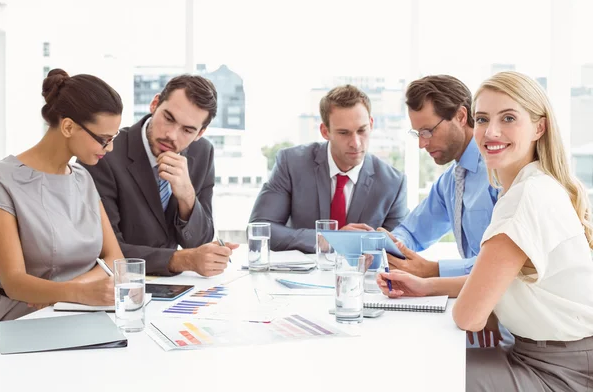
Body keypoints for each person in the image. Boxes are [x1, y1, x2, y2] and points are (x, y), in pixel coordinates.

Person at [377, 71, 593, 391]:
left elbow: (468, 316)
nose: (491, 131)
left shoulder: (525, 197)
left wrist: (457, 291)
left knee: (414, 372)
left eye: (508, 118)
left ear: (539, 126)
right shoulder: (528, 185)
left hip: (558, 370)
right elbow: (500, 279)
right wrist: (425, 286)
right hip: (540, 353)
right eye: (482, 119)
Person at [0, 69, 124, 326]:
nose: (109, 148)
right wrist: (78, 293)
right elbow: (15, 282)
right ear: (68, 126)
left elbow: (115, 258)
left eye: (113, 138)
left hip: (81, 313)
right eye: (104, 139)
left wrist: (66, 293)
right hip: (21, 321)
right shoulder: (1, 179)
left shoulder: (83, 178)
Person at [81, 75, 237, 276]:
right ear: (154, 104)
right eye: (169, 119)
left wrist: (187, 197)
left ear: (200, 133)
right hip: (118, 286)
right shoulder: (104, 154)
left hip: (175, 288)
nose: (171, 135)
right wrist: (184, 260)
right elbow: (105, 250)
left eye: (188, 130)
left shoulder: (202, 152)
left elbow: (199, 241)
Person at [249, 84, 408, 253]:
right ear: (325, 131)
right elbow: (259, 230)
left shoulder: (393, 183)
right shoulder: (292, 163)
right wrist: (329, 239)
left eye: (362, 130)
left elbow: (397, 250)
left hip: (360, 277)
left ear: (371, 124)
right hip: (301, 275)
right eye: (344, 133)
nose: (356, 143)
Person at [388, 75, 497, 279]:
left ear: (461, 117)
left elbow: (503, 264)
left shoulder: (497, 172)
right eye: (418, 134)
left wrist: (434, 270)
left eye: (428, 131)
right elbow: (412, 232)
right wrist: (389, 244)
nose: (422, 144)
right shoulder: (450, 182)